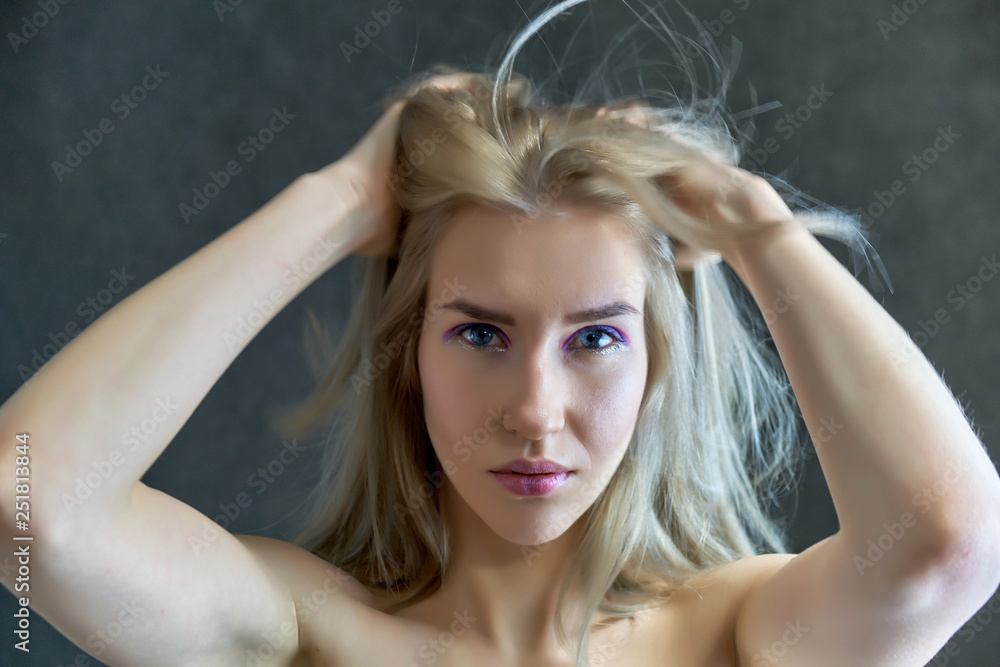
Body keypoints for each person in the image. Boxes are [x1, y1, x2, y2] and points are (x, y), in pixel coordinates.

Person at [2, 1, 999, 665]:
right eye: (481, 334)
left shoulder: (743, 634)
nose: (533, 410)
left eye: (595, 338)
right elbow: (25, 505)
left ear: (658, 362)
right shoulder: (302, 630)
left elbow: (951, 541)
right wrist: (343, 199)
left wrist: (745, 220)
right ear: (410, 356)